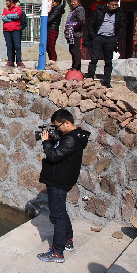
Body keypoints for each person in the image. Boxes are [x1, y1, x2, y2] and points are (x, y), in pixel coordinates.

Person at [37, 109, 90, 263]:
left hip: (58, 181)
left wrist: (46, 142)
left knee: (57, 216)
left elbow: (53, 156)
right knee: (61, 211)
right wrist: (54, 140)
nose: (57, 130)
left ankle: (57, 252)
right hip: (61, 179)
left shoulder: (71, 139)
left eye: (58, 127)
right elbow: (60, 153)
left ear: (67, 122)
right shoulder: (72, 137)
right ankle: (68, 240)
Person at [83, 0, 124, 88]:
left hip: (110, 39)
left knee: (108, 61)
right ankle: (90, 78)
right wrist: (94, 36)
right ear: (108, 3)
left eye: (116, 5)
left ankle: (107, 81)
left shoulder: (119, 13)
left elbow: (121, 26)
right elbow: (91, 24)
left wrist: (117, 38)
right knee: (94, 59)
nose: (114, 7)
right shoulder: (100, 11)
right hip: (98, 37)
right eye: (112, 4)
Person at [2, 0, 25, 68]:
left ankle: (19, 61)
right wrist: (11, 19)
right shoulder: (5, 9)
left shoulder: (18, 8)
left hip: (16, 29)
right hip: (7, 30)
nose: (6, 2)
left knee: (17, 46)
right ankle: (10, 61)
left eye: (7, 1)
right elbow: (3, 18)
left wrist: (8, 16)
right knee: (9, 46)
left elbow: (17, 16)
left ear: (11, 1)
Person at [64, 0, 86, 72]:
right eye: (72, 1)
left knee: (75, 50)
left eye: (74, 1)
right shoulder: (74, 10)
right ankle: (74, 65)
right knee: (72, 50)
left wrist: (73, 28)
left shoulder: (80, 9)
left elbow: (81, 21)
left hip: (76, 33)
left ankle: (76, 67)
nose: (73, 3)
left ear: (78, 2)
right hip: (71, 34)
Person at [47, 0, 66, 64]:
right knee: (48, 47)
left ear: (57, 2)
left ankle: (53, 61)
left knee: (51, 46)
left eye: (53, 1)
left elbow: (50, 20)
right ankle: (51, 60)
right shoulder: (54, 9)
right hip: (50, 29)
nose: (51, 3)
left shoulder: (57, 9)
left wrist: (44, 20)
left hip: (53, 29)